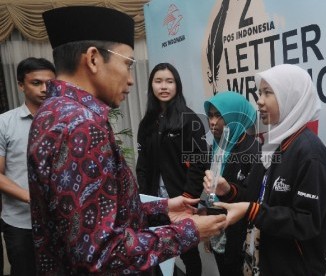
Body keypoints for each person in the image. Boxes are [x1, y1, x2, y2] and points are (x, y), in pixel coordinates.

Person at [27, 6, 226, 275]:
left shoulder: (52, 112)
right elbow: (100, 255)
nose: (131, 80)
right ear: (94, 59)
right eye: (127, 64)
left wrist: (163, 206)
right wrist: (188, 230)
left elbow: (91, 215)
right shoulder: (81, 126)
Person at [204, 64, 326, 276]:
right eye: (259, 93)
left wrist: (252, 211)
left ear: (291, 97)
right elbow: (255, 196)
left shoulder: (310, 153)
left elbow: (306, 223)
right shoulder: (273, 146)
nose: (259, 101)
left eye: (268, 92)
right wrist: (228, 190)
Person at [136, 62, 209, 276]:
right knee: (156, 254)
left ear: (177, 86)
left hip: (181, 200)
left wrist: (189, 197)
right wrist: (143, 197)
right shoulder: (147, 123)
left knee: (189, 253)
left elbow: (199, 162)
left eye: (170, 81)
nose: (164, 86)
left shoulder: (188, 120)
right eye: (158, 81)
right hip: (154, 203)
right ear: (151, 87)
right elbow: (143, 164)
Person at [0, 57, 56, 276]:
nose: (44, 89)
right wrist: (31, 197)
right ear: (21, 85)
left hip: (60, 222)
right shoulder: (4, 123)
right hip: (21, 224)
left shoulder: (66, 121)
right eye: (36, 83)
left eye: (49, 83)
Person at [203, 91, 260, 276]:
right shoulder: (217, 146)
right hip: (219, 230)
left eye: (219, 115)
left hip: (241, 238)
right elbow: (211, 190)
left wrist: (228, 190)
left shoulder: (253, 150)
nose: (213, 122)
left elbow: (254, 199)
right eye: (210, 115)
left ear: (235, 116)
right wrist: (208, 227)